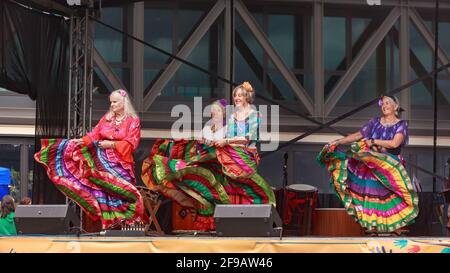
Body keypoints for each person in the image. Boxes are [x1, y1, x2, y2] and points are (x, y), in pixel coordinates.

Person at [142, 82, 275, 231]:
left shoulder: (254, 114)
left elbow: (249, 137)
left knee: (240, 183)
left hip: (244, 155)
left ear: (247, 97)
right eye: (235, 95)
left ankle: (253, 214)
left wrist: (225, 141)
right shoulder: (233, 116)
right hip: (228, 152)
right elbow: (227, 136)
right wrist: (210, 142)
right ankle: (220, 210)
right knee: (206, 171)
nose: (236, 98)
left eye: (239, 95)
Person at [35, 89, 144, 230]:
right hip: (101, 158)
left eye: (115, 102)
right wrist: (80, 141)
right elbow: (94, 134)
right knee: (100, 188)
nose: (112, 105)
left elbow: (131, 143)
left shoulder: (132, 121)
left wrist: (111, 144)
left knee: (122, 191)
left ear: (124, 102)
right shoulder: (107, 118)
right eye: (111, 102)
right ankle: (108, 224)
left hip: (121, 162)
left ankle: (126, 224)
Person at [317, 95, 419, 235]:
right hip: (372, 164)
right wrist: (338, 141)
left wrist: (373, 141)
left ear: (396, 106)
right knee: (371, 193)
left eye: (388, 103)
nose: (384, 105)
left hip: (390, 166)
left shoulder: (401, 124)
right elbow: (358, 135)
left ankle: (396, 225)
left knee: (393, 194)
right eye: (382, 103)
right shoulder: (374, 122)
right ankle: (371, 226)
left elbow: (394, 143)